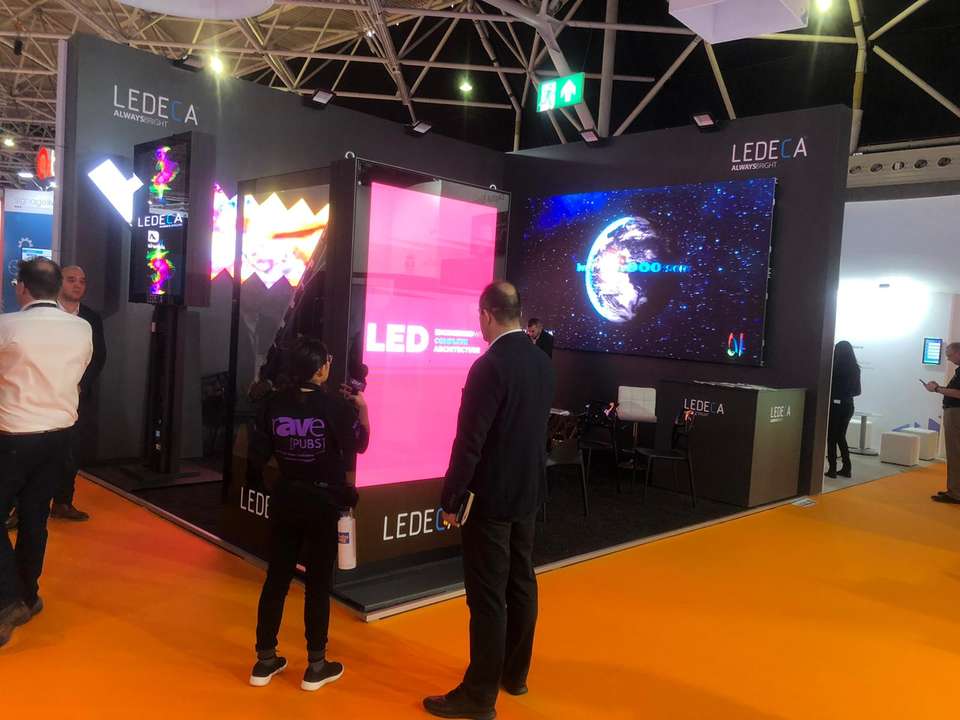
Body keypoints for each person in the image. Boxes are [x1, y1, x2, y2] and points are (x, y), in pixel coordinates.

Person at [423, 282, 556, 720]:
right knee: (521, 582)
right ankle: (513, 675)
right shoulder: (541, 362)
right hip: (528, 492)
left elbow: (469, 443)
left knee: (487, 597)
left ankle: (479, 696)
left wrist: (450, 497)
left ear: (486, 315)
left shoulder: (489, 366)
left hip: (491, 498)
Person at [248, 337, 369, 691]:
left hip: (286, 498)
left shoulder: (273, 404)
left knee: (276, 579)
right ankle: (316, 665)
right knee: (317, 585)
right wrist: (362, 408)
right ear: (320, 369)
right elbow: (360, 443)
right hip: (323, 503)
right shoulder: (336, 406)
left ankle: (264, 660)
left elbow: (258, 455)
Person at [0, 259, 92, 648]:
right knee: (35, 517)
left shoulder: (7, 325)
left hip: (14, 434)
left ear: (22, 287)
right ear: (57, 288)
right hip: (60, 435)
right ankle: (28, 595)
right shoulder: (82, 327)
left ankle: (8, 599)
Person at [52, 265, 106, 522]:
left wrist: (81, 385)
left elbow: (99, 356)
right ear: (58, 282)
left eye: (82, 281)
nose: (77, 285)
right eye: (71, 279)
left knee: (71, 452)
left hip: (77, 396)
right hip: (43, 394)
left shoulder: (91, 318)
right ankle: (21, 508)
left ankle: (63, 503)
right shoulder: (45, 313)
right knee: (35, 452)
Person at [924, 341, 960, 504]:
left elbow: (958, 393)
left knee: (955, 453)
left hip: (955, 413)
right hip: (954, 412)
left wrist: (937, 389)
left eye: (949, 355)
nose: (948, 358)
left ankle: (955, 493)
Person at [826, 340, 861, 479]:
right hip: (848, 406)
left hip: (835, 406)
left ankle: (832, 469)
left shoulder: (835, 367)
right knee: (841, 436)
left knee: (831, 438)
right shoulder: (855, 368)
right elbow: (858, 391)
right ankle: (847, 467)